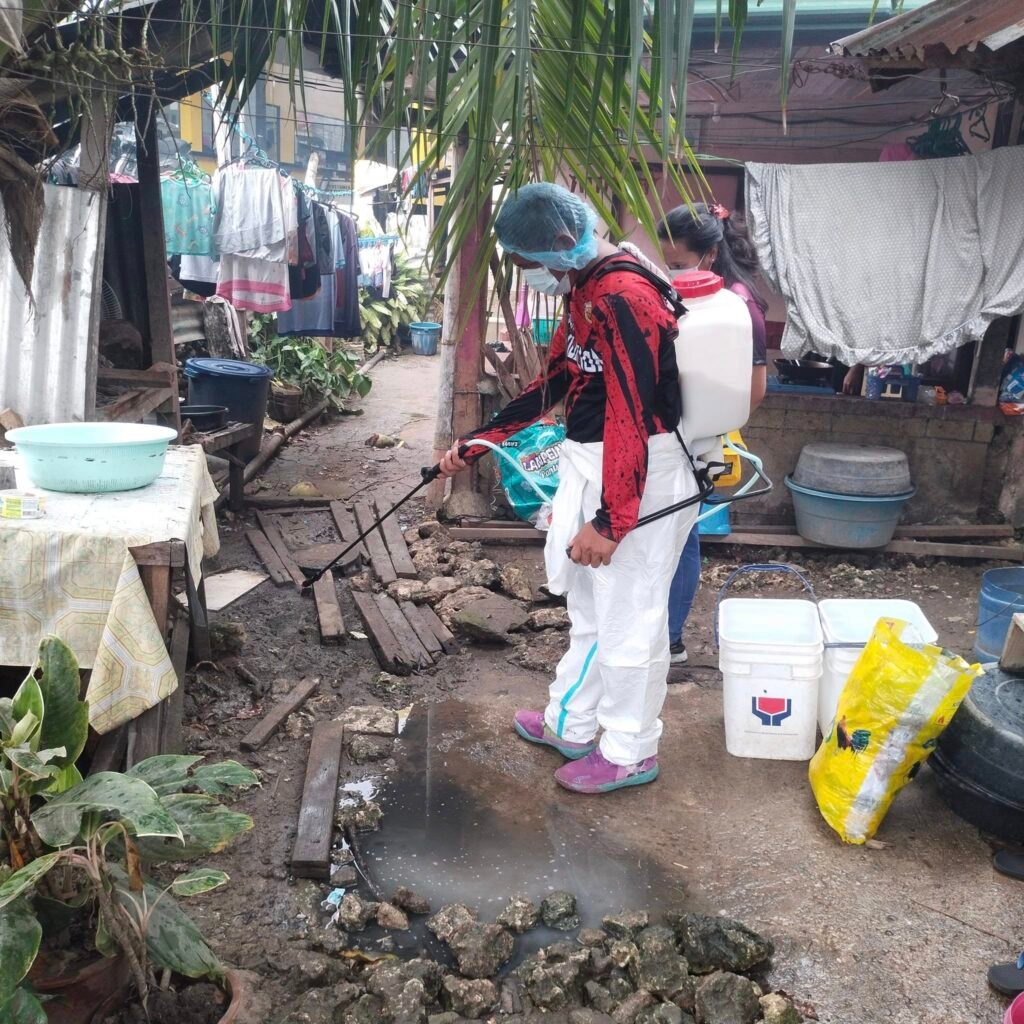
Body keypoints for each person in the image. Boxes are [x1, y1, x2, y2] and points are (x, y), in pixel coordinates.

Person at [439, 182, 700, 795]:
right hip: (597, 460)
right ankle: (572, 724)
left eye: (530, 263)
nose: (533, 276)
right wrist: (481, 439)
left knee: (630, 620)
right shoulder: (586, 284)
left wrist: (612, 520)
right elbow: (558, 376)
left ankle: (630, 751)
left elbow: (632, 410)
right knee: (589, 609)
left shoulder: (624, 295)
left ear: (561, 241)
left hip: (639, 470)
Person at [655, 202, 768, 665]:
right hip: (672, 431)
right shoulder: (691, 296)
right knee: (668, 531)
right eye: (667, 263)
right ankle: (662, 632)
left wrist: (707, 430)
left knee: (682, 534)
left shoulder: (738, 306)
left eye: (679, 263)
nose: (673, 272)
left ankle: (671, 639)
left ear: (710, 253)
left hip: (701, 437)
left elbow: (754, 390)